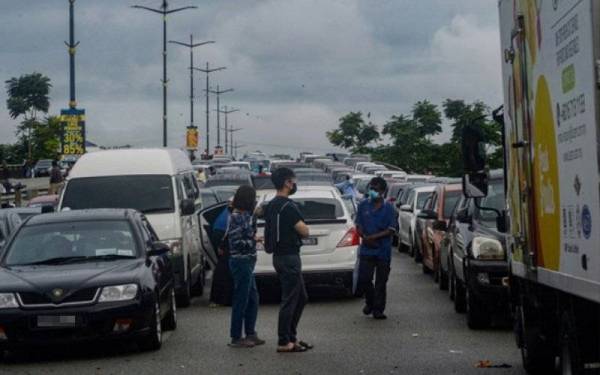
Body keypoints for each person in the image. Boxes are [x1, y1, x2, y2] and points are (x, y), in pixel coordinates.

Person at [264, 167, 313, 353]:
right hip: (289, 256)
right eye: (293, 181)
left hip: (279, 256)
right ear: (286, 183)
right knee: (290, 299)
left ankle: (292, 337)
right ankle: (284, 341)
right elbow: (304, 230)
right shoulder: (288, 206)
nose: (295, 184)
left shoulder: (272, 205)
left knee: (301, 298)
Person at [227, 185, 265, 348]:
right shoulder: (236, 217)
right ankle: (236, 336)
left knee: (253, 298)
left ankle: (250, 332)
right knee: (241, 298)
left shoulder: (246, 216)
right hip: (240, 259)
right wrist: (253, 241)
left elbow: (250, 228)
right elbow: (235, 241)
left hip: (248, 259)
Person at [355, 177, 397, 320]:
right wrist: (364, 237)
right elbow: (358, 225)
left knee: (381, 281)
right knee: (364, 279)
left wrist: (374, 238)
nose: (373, 192)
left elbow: (391, 229)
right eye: (371, 189)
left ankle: (378, 309)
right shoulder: (363, 206)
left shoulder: (389, 208)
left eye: (376, 190)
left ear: (383, 191)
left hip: (382, 250)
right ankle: (370, 302)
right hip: (367, 249)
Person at [209, 203, 233, 307]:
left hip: (220, 233)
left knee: (223, 267)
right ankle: (221, 298)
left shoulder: (232, 207)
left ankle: (219, 298)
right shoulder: (238, 212)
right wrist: (222, 245)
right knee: (225, 267)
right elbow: (229, 230)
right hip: (223, 234)